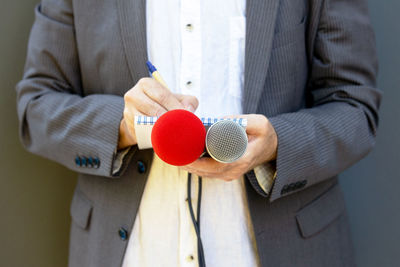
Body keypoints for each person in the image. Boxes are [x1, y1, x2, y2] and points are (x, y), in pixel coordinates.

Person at [16, 0, 381, 266]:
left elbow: (355, 109)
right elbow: (36, 107)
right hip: (131, 251)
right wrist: (123, 125)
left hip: (286, 249)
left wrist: (277, 144)